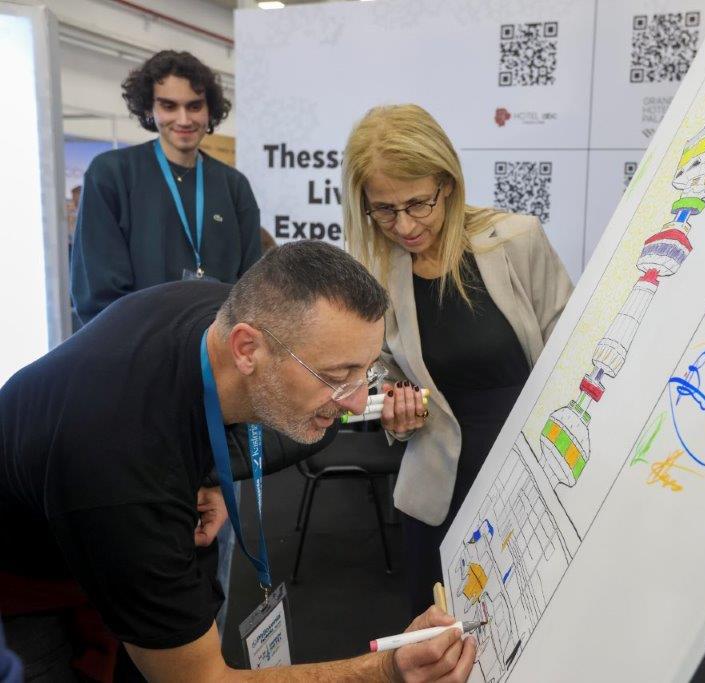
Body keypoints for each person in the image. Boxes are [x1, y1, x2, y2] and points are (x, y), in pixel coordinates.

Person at [1, 241, 476, 681]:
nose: (356, 402)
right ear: (246, 349)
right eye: (337, 376)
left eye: (365, 371)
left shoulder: (228, 313)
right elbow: (200, 679)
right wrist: (388, 669)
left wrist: (207, 473)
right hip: (27, 581)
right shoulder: (126, 474)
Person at [342, 104, 574, 614]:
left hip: (532, 476)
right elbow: (375, 369)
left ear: (446, 183)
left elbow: (571, 355)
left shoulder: (516, 241)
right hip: (438, 492)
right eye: (384, 210)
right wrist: (392, 405)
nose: (404, 225)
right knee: (442, 636)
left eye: (417, 203)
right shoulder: (372, 269)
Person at [71, 49, 262, 325]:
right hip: (136, 344)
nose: (184, 120)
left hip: (217, 346)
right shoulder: (111, 175)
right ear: (149, 109)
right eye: (169, 106)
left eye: (194, 106)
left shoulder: (234, 186)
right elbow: (96, 295)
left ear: (209, 110)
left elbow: (252, 286)